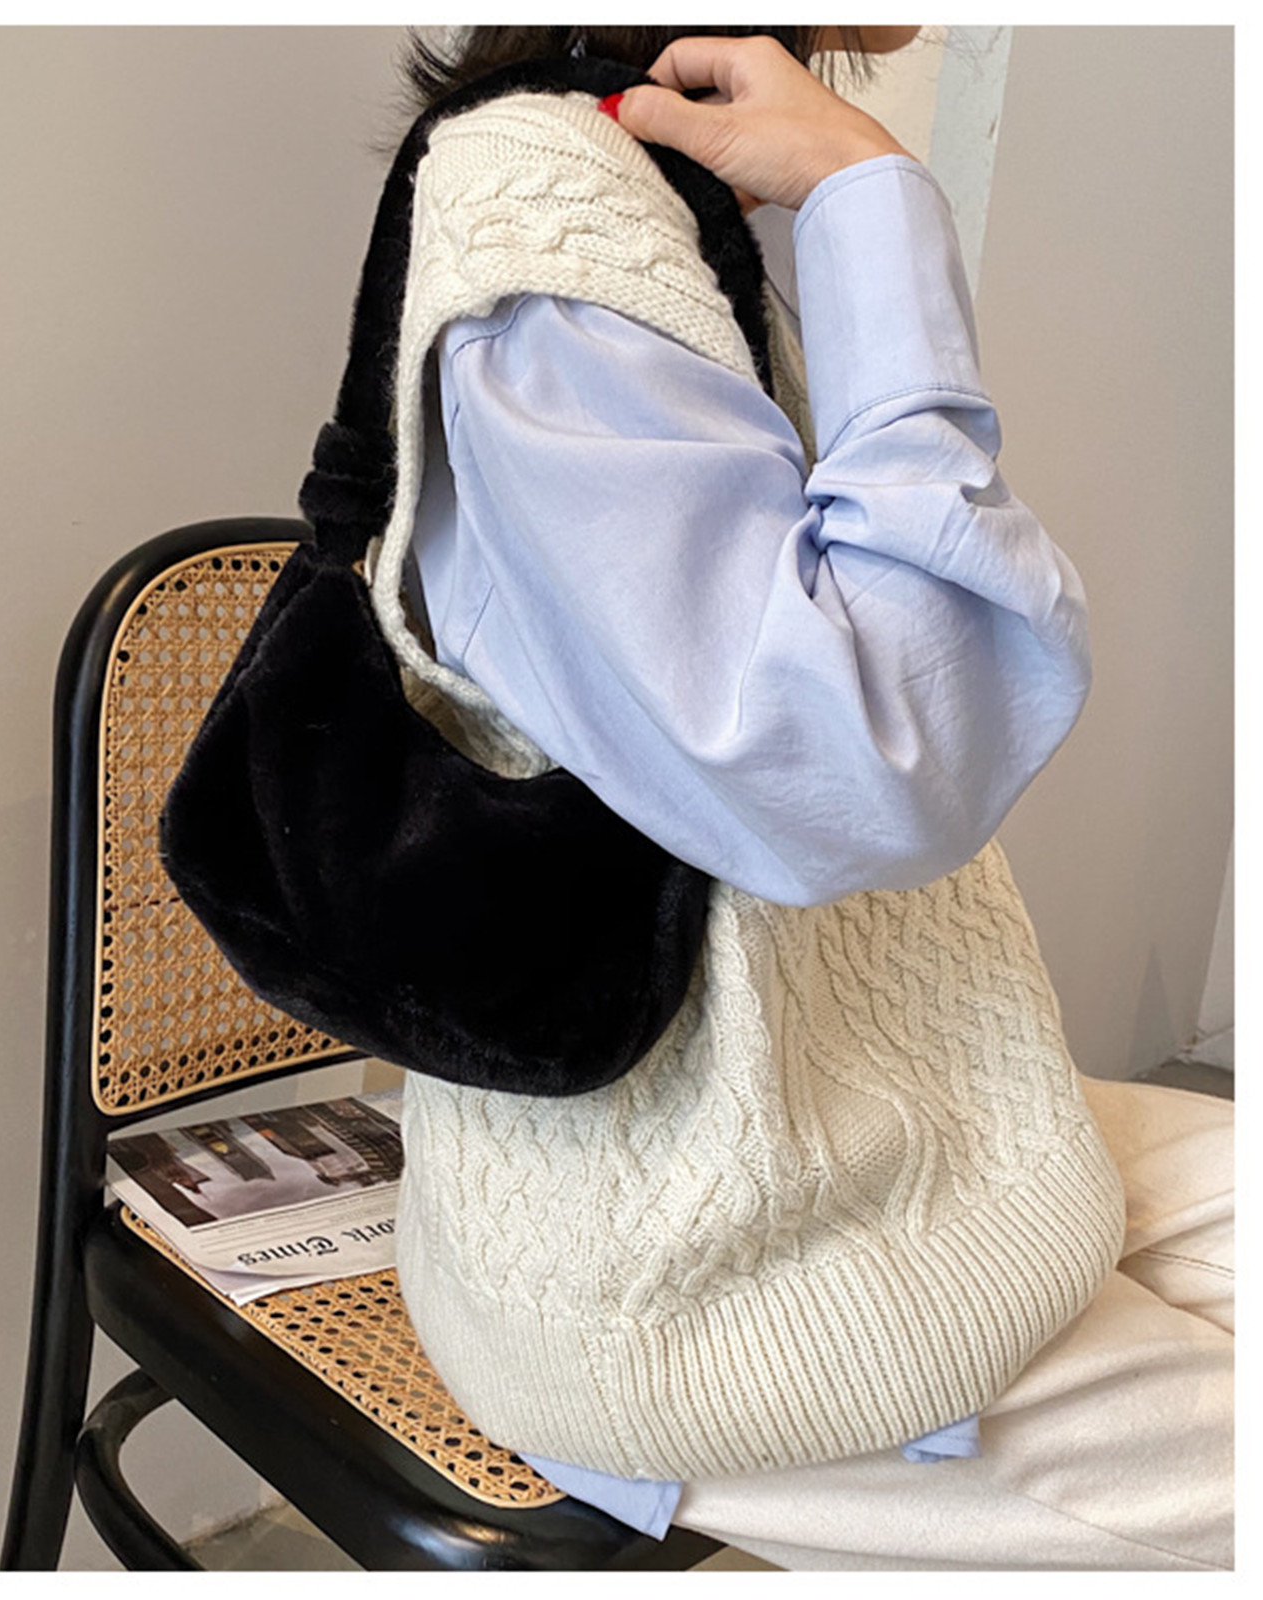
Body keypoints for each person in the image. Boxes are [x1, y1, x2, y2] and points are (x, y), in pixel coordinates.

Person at [361, 25, 1233, 1570]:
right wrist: (870, 198)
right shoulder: (546, 239)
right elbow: (877, 760)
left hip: (880, 1116)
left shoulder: (663, 190)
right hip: (696, 1268)